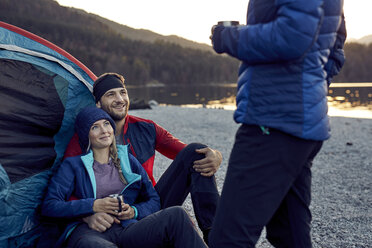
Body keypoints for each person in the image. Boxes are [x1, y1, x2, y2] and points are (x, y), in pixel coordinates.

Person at [209, 0, 346, 247]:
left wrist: (228, 37)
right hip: (299, 122)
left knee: (229, 238)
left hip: (273, 123)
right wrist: (309, 90)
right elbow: (334, 49)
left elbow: (291, 36)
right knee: (289, 234)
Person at [64, 72, 221, 243]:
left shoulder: (146, 128)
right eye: (111, 94)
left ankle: (215, 236)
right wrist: (87, 215)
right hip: (113, 217)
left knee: (197, 152)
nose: (119, 99)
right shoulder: (84, 137)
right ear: (98, 103)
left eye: (122, 92)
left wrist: (216, 155)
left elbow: (188, 153)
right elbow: (66, 188)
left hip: (150, 206)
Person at [41, 106, 207, 248]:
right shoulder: (73, 165)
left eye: (106, 124)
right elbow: (49, 206)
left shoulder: (127, 160)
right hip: (89, 232)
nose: (104, 130)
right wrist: (93, 206)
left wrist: (134, 211)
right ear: (86, 135)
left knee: (177, 215)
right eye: (95, 127)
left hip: (127, 228)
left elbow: (154, 200)